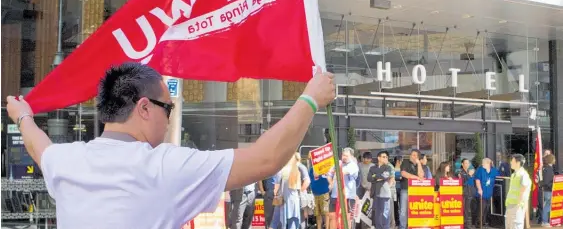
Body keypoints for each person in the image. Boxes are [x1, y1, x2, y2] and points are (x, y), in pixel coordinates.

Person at [5, 62, 335, 229]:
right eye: (168, 108)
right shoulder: (163, 167)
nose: (169, 119)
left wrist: (23, 117)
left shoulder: (67, 160)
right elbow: (266, 158)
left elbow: (37, 145)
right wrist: (311, 98)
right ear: (145, 108)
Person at [327, 148, 359, 229]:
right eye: (343, 155)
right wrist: (331, 183)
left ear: (351, 156)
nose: (344, 157)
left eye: (346, 156)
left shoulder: (353, 165)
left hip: (347, 196)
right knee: (332, 216)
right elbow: (329, 174)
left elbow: (343, 172)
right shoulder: (337, 163)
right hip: (335, 195)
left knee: (346, 217)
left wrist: (336, 169)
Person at [275, 154, 302, 229]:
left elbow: (276, 186)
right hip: (294, 199)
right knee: (293, 222)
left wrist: (276, 194)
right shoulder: (297, 170)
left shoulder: (282, 170)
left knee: (283, 222)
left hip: (285, 200)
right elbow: (299, 187)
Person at [399, 150, 424, 229]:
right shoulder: (405, 162)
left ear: (418, 157)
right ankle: (403, 227)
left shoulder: (418, 165)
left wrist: (419, 163)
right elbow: (403, 173)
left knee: (415, 209)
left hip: (416, 191)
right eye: (412, 154)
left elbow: (421, 175)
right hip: (405, 189)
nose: (412, 156)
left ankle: (412, 226)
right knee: (403, 211)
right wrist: (416, 177)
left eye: (415, 155)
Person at [505, 154, 532, 229]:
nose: (510, 162)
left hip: (517, 205)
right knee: (509, 225)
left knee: (516, 225)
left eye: (512, 161)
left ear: (518, 163)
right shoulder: (514, 174)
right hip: (510, 204)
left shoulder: (523, 174)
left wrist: (519, 203)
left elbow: (523, 189)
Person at [368, 151, 393, 229]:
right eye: (383, 157)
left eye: (386, 157)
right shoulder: (372, 167)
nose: (385, 158)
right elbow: (369, 178)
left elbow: (385, 176)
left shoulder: (388, 167)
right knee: (377, 214)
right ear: (378, 158)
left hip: (385, 194)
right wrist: (378, 176)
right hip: (375, 193)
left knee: (385, 214)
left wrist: (375, 176)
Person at [474, 158, 499, 228]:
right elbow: (477, 180)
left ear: (488, 164)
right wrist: (479, 189)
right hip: (481, 193)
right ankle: (478, 224)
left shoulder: (494, 170)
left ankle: (484, 222)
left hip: (489, 193)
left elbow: (500, 176)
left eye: (483, 163)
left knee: (486, 209)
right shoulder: (480, 170)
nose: (482, 164)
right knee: (481, 209)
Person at [309, 162, 330, 229]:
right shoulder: (312, 169)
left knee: (326, 214)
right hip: (315, 195)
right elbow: (311, 180)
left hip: (324, 194)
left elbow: (329, 178)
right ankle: (319, 227)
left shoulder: (325, 168)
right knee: (317, 214)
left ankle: (327, 227)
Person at [458, 159, 476, 229]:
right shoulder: (460, 173)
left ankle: (472, 224)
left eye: (468, 163)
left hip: (472, 192)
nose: (467, 164)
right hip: (465, 193)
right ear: (462, 164)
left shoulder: (471, 172)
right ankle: (466, 225)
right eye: (466, 163)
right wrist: (469, 175)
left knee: (473, 209)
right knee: (466, 210)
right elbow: (463, 182)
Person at [295, 152, 311, 229]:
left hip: (300, 195)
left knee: (301, 216)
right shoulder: (296, 167)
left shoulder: (301, 167)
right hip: (297, 195)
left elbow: (307, 181)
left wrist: (300, 191)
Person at [540, 154, 556, 227]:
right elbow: (546, 182)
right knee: (547, 206)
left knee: (548, 205)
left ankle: (546, 221)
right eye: (553, 159)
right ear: (551, 160)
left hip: (548, 190)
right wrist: (552, 186)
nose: (555, 160)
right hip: (549, 191)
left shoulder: (548, 168)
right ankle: (544, 221)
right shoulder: (548, 169)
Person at [393, 157, 403, 228]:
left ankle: (401, 221)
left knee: (402, 206)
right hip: (395, 190)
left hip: (402, 190)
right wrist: (399, 178)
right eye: (401, 161)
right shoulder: (392, 169)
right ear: (398, 161)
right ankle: (397, 221)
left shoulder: (403, 170)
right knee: (395, 206)